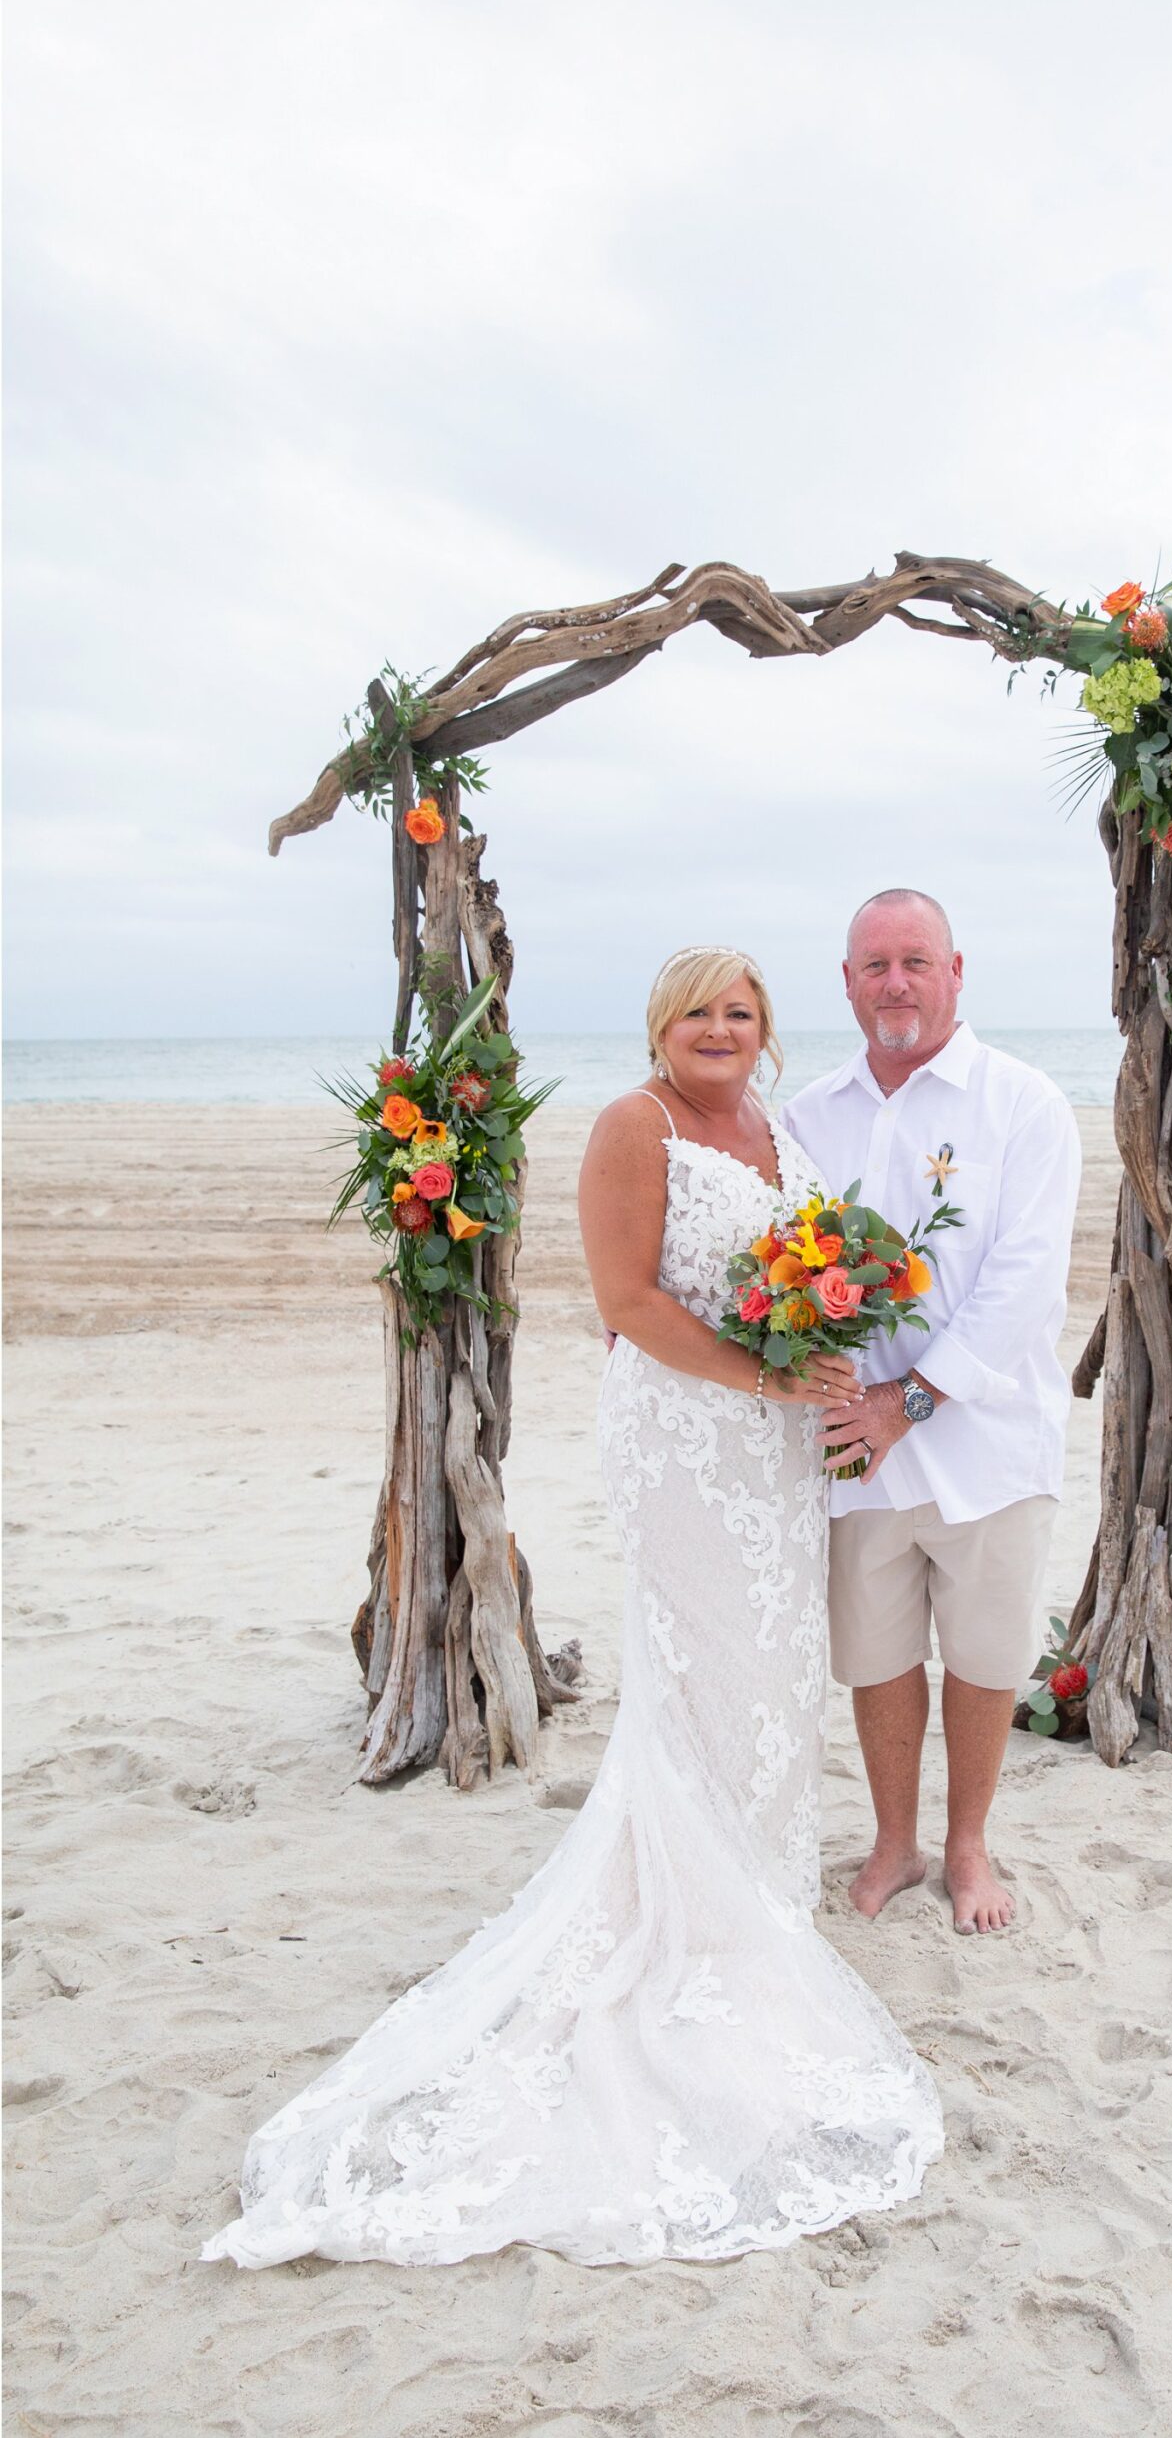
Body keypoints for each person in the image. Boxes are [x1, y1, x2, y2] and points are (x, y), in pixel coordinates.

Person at [201, 946, 942, 2270]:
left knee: (773, 1672)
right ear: (661, 1027)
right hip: (681, 1438)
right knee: (701, 1668)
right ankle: (690, 1922)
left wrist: (813, 1360)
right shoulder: (631, 1125)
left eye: (741, 1012)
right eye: (697, 1012)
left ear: (765, 1032)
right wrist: (762, 1380)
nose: (718, 1029)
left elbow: (798, 1274)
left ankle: (757, 1903)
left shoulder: (775, 1128)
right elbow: (628, 1303)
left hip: (773, 1455)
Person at [782, 890, 1081, 1935]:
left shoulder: (1024, 1103)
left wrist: (906, 1401)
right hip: (851, 1446)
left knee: (989, 1655)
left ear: (957, 970)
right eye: (874, 965)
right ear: (848, 983)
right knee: (874, 1652)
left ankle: (967, 1847)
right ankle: (894, 1840)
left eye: (915, 960)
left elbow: (1026, 1282)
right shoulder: (810, 1113)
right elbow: (765, 1253)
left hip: (986, 1438)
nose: (895, 983)